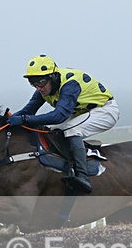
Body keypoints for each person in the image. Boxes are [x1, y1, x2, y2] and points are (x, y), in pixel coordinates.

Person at [8, 55, 119, 193]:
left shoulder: (70, 84)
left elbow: (59, 116)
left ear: (53, 76)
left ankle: (82, 176)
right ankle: (68, 162)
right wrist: (4, 122)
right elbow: (28, 110)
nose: (38, 87)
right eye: (33, 83)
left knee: (72, 130)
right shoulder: (43, 89)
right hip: (81, 112)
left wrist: (24, 119)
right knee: (47, 129)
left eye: (41, 82)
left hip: (104, 110)